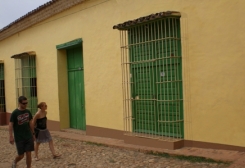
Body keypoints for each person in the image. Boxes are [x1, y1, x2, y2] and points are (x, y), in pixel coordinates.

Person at [9, 96, 35, 168]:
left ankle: (28, 167)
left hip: (28, 136)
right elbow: (11, 124)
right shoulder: (15, 113)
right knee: (21, 155)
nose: (25, 105)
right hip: (19, 137)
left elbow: (30, 123)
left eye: (26, 103)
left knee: (29, 153)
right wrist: (11, 136)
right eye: (24, 103)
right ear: (19, 103)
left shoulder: (28, 112)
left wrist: (33, 133)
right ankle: (15, 161)